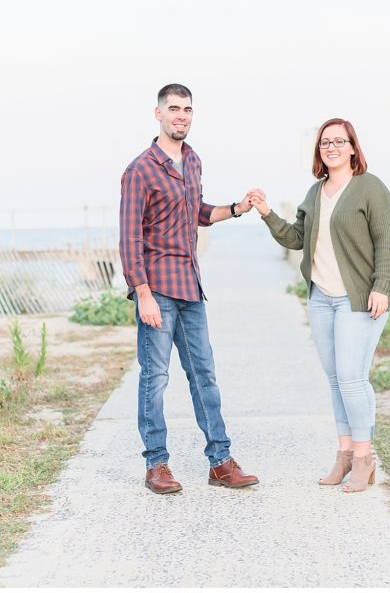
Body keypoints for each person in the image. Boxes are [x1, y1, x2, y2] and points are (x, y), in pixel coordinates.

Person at [119, 83, 260, 495]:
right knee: (155, 378)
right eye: (174, 109)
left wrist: (236, 209)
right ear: (158, 114)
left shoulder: (193, 160)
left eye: (187, 110)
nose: (181, 116)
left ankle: (220, 462)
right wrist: (141, 293)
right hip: (157, 289)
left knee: (204, 376)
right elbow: (129, 238)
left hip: (191, 287)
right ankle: (156, 465)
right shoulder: (140, 169)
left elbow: (196, 212)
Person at [248, 117, 390, 493]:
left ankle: (364, 458)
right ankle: (344, 454)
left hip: (359, 297)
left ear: (352, 147)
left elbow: (386, 241)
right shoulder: (315, 193)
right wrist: (266, 213)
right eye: (324, 143)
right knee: (335, 380)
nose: (331, 148)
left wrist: (381, 286)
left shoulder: (370, 188)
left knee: (352, 377)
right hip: (321, 298)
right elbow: (298, 238)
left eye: (338, 142)